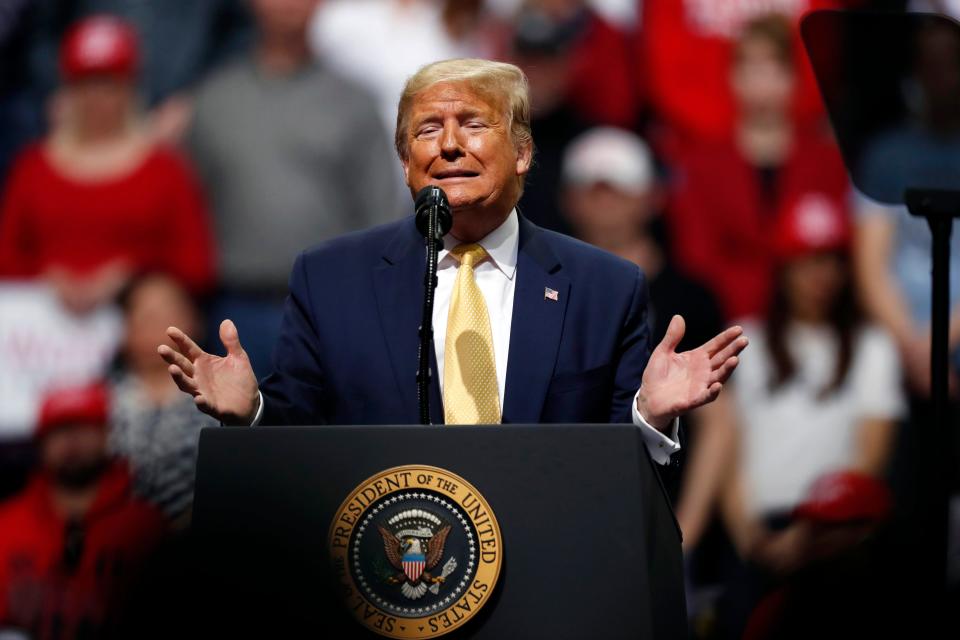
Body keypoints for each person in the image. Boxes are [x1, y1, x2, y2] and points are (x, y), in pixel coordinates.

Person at [159, 59, 747, 474]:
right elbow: (298, 445)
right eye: (427, 130)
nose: (448, 146)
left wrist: (651, 416)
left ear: (522, 152)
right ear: (406, 162)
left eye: (472, 124)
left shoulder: (603, 287)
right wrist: (251, 412)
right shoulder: (330, 279)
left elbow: (622, 472)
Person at [718, 194, 904, 638]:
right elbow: (728, 455)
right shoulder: (746, 342)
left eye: (831, 261)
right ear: (782, 267)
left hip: (840, 537)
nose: (821, 276)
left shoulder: (872, 347)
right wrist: (752, 539)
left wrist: (809, 536)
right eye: (805, 261)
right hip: (759, 534)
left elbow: (869, 459)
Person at [187, 0, 401, 377]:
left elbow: (383, 218)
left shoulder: (354, 102)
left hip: (330, 308)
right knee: (241, 434)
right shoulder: (214, 100)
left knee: (326, 435)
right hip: (232, 310)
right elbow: (186, 213)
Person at [0, 15, 217, 313]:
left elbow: (195, 266)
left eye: (109, 85)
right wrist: (46, 276)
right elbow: (7, 255)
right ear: (68, 91)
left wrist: (131, 278)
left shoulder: (165, 169)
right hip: (40, 341)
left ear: (130, 89)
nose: (98, 99)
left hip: (142, 340)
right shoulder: (33, 167)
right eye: (86, 85)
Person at [666, 14, 849, 321]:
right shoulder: (702, 164)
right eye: (750, 68)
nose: (762, 82)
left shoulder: (827, 160)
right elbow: (695, 259)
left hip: (814, 320)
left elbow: (838, 250)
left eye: (773, 68)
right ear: (731, 76)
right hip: (726, 322)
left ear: (794, 76)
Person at [0, 383, 167, 639]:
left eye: (84, 427)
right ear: (40, 442)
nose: (72, 442)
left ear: (107, 434)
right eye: (60, 431)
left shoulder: (146, 528)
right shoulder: (6, 523)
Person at [108, 274, 218, 530]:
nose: (155, 320)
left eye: (167, 309)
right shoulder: (101, 405)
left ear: (195, 319)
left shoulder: (222, 403)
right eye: (144, 312)